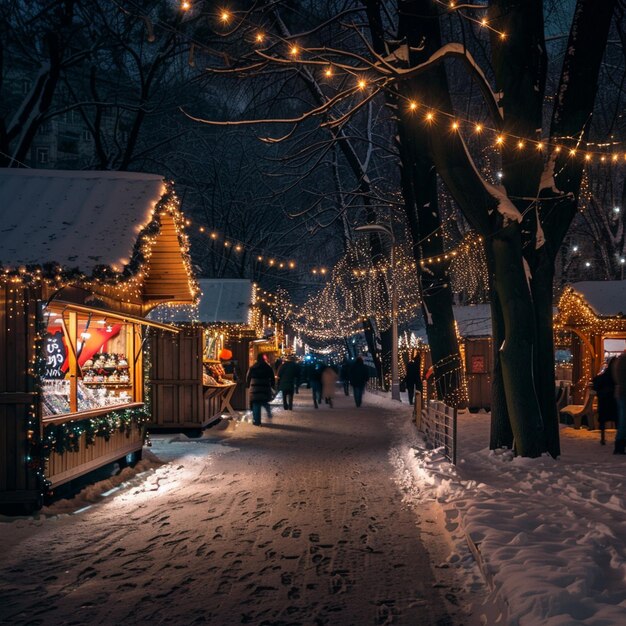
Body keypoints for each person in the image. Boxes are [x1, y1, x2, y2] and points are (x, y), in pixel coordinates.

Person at [593, 358, 618, 446]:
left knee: (603, 419)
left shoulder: (604, 375)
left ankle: (603, 438)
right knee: (617, 419)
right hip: (614, 401)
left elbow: (595, 382)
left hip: (604, 401)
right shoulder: (616, 376)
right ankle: (618, 439)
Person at [246, 353, 275, 426]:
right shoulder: (268, 367)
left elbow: (248, 377)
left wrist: (248, 385)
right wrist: (272, 385)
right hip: (265, 387)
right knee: (264, 401)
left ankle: (257, 421)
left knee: (256, 404)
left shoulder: (253, 367)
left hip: (255, 388)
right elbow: (272, 378)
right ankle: (268, 410)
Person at [613, 350, 626, 454]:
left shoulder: (620, 359)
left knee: (623, 420)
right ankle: (620, 445)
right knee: (623, 420)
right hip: (623, 393)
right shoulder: (623, 359)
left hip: (621, 392)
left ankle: (620, 444)